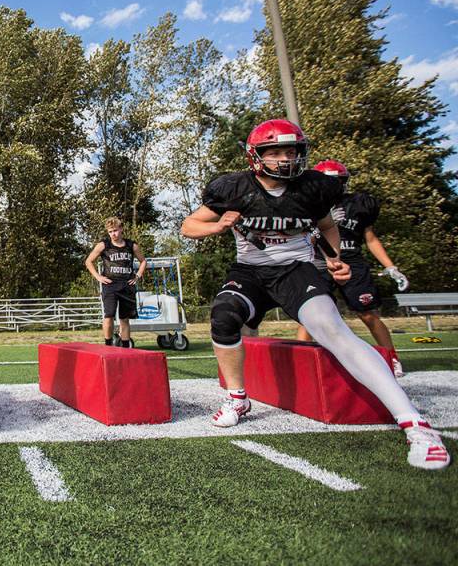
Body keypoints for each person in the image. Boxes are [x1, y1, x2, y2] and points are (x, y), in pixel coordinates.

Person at [180, 119, 449, 470]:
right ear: (256, 156)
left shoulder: (313, 189)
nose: (284, 159)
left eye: (290, 151)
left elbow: (327, 226)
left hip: (296, 271)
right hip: (250, 271)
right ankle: (237, 397)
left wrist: (333, 257)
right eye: (274, 152)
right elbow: (189, 226)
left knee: (333, 330)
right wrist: (218, 225)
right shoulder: (234, 189)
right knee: (224, 315)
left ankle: (415, 424)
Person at [296, 160, 409, 377]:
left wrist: (391, 267)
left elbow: (371, 239)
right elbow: (301, 239)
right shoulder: (307, 205)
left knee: (368, 314)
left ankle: (391, 358)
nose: (333, 187)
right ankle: (301, 364)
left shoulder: (358, 205)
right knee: (311, 316)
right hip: (319, 262)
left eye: (338, 182)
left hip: (352, 262)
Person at [85, 217, 146, 347]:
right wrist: (98, 277)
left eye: (115, 230)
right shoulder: (104, 245)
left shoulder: (131, 245)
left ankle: (125, 347)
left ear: (121, 229)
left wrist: (138, 275)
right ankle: (108, 345)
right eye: (110, 231)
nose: (113, 234)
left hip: (127, 285)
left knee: (124, 319)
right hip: (110, 285)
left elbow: (143, 261)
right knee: (109, 316)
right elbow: (88, 261)